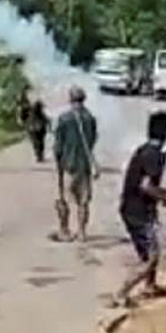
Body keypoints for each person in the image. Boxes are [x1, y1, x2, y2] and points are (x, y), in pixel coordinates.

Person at [115, 111, 166, 309]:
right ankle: (121, 293)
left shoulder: (146, 150)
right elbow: (146, 186)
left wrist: (165, 196)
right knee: (150, 257)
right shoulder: (153, 155)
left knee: (150, 249)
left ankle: (150, 286)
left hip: (136, 207)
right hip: (137, 211)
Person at [53, 86, 99, 242]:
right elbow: (92, 141)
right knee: (83, 201)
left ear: (70, 99)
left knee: (63, 198)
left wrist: (58, 161)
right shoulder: (90, 118)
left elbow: (58, 145)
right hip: (84, 165)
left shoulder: (64, 118)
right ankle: (81, 232)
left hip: (68, 164)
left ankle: (64, 230)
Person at [21, 98, 50, 163]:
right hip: (37, 129)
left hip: (34, 129)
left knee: (37, 143)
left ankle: (39, 155)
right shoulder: (36, 113)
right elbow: (46, 120)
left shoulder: (32, 113)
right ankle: (40, 156)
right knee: (39, 143)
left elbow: (45, 119)